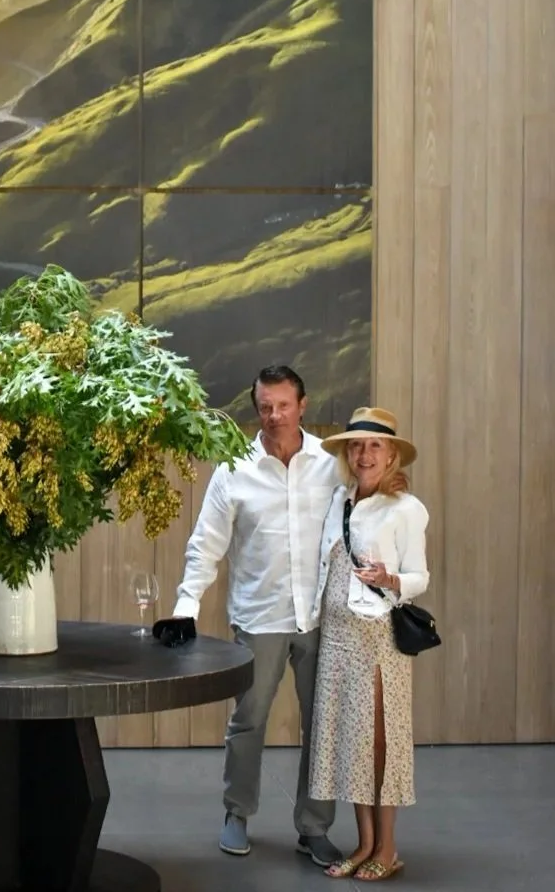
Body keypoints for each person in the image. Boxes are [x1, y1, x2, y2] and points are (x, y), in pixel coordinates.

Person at [157, 364, 347, 867]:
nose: (274, 415)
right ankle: (237, 813)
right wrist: (185, 608)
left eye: (284, 405)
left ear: (303, 406)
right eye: (265, 406)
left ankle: (314, 827)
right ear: (255, 408)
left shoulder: (331, 465)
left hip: (319, 617)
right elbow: (206, 545)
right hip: (259, 618)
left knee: (321, 726)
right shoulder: (233, 468)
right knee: (248, 721)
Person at [307, 408, 429, 882]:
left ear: (393, 454)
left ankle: (389, 847)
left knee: (381, 742)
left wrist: (390, 578)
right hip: (337, 637)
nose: (364, 454)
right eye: (356, 445)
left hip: (378, 637)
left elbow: (420, 577)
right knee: (350, 742)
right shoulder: (340, 499)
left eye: (375, 446)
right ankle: (364, 845)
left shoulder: (406, 509)